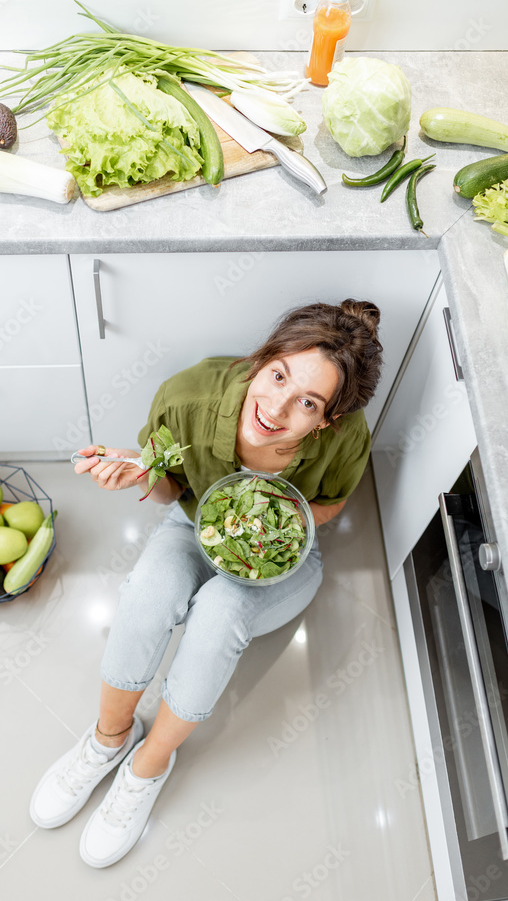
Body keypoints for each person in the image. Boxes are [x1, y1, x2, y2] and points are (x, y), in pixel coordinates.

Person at [29, 299, 383, 868]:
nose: (276, 407)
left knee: (218, 614)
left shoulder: (346, 437)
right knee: (148, 592)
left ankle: (148, 766)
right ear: (263, 358)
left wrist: (272, 528)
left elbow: (332, 502)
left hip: (284, 557)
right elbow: (171, 488)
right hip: (194, 522)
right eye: (277, 376)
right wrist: (146, 476)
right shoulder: (189, 395)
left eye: (308, 403)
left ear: (328, 421)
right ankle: (107, 738)